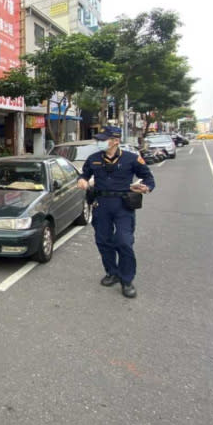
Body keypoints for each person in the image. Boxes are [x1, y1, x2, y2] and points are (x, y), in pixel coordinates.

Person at [77, 126, 155, 298]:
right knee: (103, 241)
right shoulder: (93, 159)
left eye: (103, 139)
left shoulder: (132, 159)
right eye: (98, 139)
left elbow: (149, 178)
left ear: (115, 141)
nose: (99, 142)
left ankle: (126, 280)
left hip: (123, 205)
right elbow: (83, 174)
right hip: (101, 204)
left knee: (124, 241)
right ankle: (112, 272)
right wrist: (82, 180)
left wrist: (147, 187)